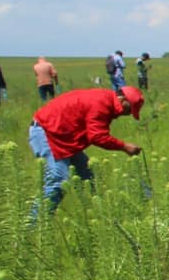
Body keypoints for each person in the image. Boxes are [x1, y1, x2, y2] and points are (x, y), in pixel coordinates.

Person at [28, 85, 144, 215]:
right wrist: (124, 146)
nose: (127, 114)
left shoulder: (104, 99)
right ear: (123, 100)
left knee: (88, 177)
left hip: (64, 137)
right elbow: (97, 136)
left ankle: (102, 216)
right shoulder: (102, 103)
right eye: (129, 109)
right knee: (58, 181)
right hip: (48, 132)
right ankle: (35, 226)